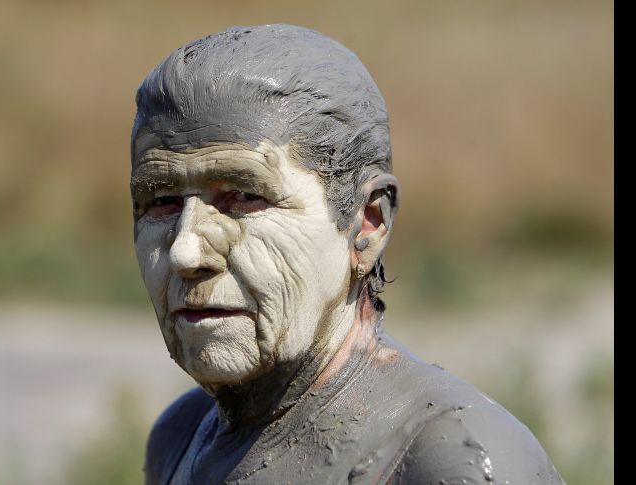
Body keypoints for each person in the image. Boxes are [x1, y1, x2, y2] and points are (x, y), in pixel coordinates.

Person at [129, 24, 565, 485]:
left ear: (366, 224)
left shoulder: (448, 459)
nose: (185, 251)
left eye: (244, 197)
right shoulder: (180, 439)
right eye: (161, 202)